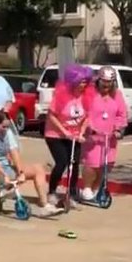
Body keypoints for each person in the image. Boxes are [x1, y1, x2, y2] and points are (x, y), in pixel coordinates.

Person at [0, 111, 62, 220]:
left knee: (38, 169)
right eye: (3, 127)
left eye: (7, 127)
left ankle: (44, 206)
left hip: (5, 168)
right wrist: (4, 174)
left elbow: (14, 153)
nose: (6, 129)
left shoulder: (7, 133)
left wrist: (21, 173)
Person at [44, 64, 93, 208]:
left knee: (75, 164)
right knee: (62, 162)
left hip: (75, 135)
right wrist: (64, 132)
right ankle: (52, 191)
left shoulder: (86, 97)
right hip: (55, 135)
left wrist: (82, 132)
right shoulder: (61, 96)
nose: (83, 84)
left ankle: (71, 194)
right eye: (81, 81)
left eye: (85, 82)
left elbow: (87, 117)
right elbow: (51, 116)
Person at [80, 66, 128, 201]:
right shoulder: (90, 93)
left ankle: (96, 189)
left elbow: (122, 114)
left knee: (105, 164)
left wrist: (118, 129)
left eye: (109, 82)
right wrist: (90, 127)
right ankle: (87, 188)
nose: (106, 85)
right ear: (98, 80)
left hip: (109, 137)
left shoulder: (117, 95)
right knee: (92, 163)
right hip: (93, 136)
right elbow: (84, 111)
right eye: (104, 82)